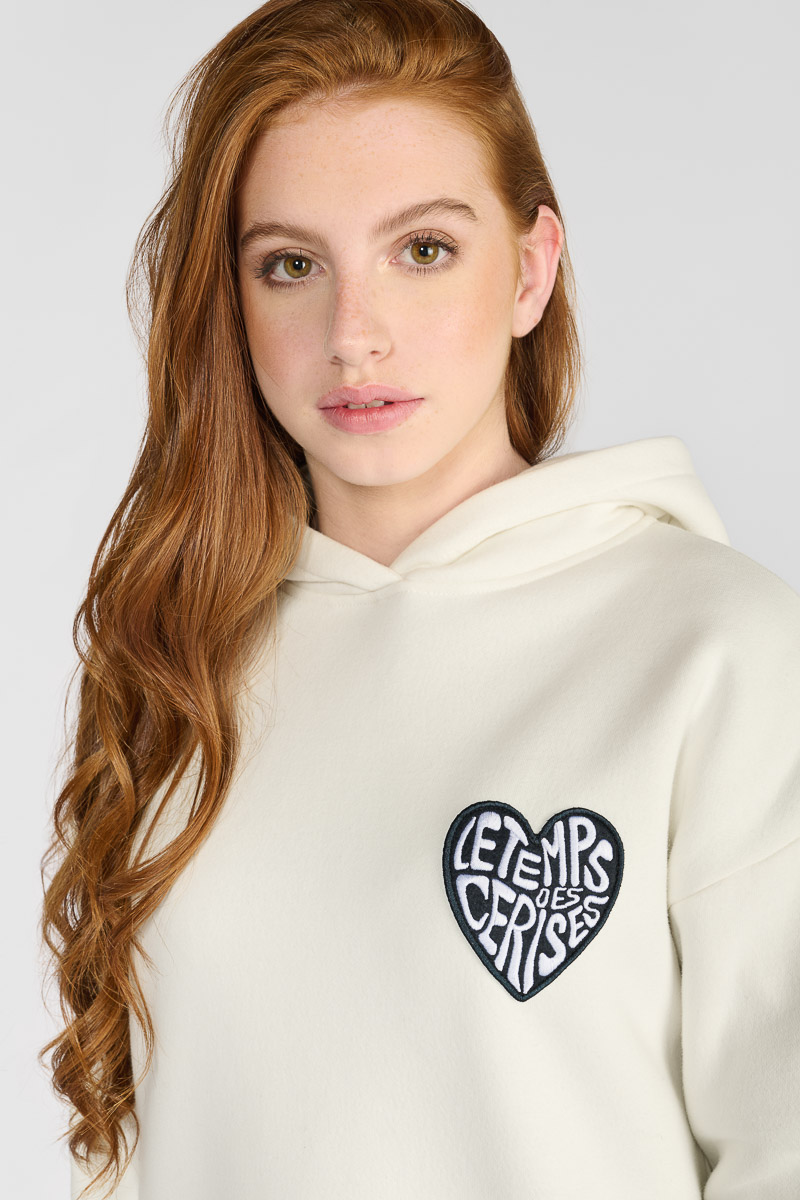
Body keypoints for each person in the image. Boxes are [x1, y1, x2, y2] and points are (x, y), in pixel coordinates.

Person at [38, 1, 800, 1197]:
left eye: (423, 250)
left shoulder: (719, 653)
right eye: (291, 266)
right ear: (232, 300)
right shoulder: (179, 662)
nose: (355, 336)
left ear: (530, 270)